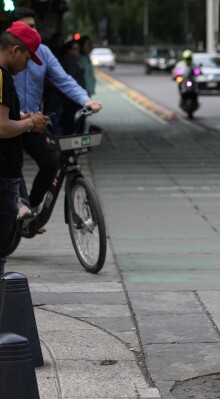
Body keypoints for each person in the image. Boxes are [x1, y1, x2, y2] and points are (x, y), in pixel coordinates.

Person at [9, 7, 102, 218]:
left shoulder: (43, 52)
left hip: (33, 121)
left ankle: (30, 209)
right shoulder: (5, 52)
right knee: (12, 166)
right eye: (27, 27)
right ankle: (17, 206)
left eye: (35, 27)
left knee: (51, 162)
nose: (33, 32)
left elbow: (64, 80)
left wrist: (86, 100)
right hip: (6, 123)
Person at [0, 22, 50, 274]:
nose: (27, 66)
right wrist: (30, 123)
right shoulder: (1, 77)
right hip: (3, 172)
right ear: (15, 50)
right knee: (3, 241)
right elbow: (1, 127)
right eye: (27, 58)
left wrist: (23, 117)